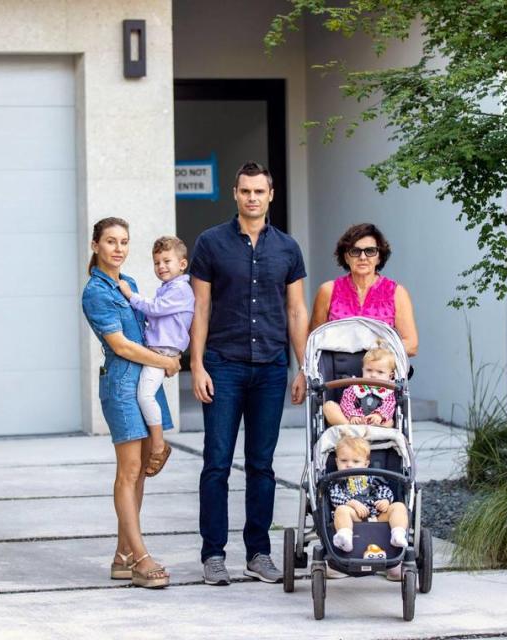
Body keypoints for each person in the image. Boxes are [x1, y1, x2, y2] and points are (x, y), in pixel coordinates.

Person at [190, 161, 309, 586]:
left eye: (259, 191)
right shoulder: (210, 243)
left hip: (273, 368)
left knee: (262, 464)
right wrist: (197, 363)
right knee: (217, 463)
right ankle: (214, 554)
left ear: (271, 194)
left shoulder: (288, 248)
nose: (252, 198)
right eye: (245, 191)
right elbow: (199, 307)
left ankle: (258, 552)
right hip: (223, 364)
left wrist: (303, 367)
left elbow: (296, 310)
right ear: (236, 194)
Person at [81, 217, 181, 589]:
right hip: (122, 386)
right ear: (96, 246)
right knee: (128, 471)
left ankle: (123, 556)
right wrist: (166, 362)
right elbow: (121, 345)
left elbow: (151, 326)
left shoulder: (131, 284)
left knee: (141, 472)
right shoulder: (96, 291)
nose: (119, 248)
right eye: (110, 241)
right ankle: (140, 558)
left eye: (124, 241)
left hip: (144, 384)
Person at [117, 236, 194, 477]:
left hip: (163, 353)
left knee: (145, 395)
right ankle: (156, 441)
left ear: (182, 264)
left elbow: (155, 309)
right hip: (156, 351)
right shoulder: (168, 288)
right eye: (156, 262)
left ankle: (159, 445)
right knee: (144, 396)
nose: (161, 266)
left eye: (166, 261)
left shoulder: (181, 289)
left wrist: (130, 295)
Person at [309, 223, 419, 356]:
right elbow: (313, 341)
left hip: (380, 375)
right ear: (346, 257)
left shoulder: (396, 292)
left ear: (379, 257)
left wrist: (374, 351)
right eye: (355, 251)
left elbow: (411, 345)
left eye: (370, 251)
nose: (363, 257)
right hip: (337, 375)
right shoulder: (328, 291)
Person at [328, 435, 409, 579]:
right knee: (341, 510)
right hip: (354, 518)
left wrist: (385, 500)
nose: (349, 465)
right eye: (344, 461)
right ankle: (345, 537)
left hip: (377, 516)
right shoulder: (337, 481)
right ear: (336, 461)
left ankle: (397, 534)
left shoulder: (373, 478)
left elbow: (384, 490)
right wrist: (351, 502)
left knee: (399, 507)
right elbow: (334, 496)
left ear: (366, 464)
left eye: (355, 461)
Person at [323, 343, 396, 427]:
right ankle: (350, 428)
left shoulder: (388, 390)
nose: (373, 375)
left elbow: (389, 405)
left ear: (390, 376)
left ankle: (374, 431)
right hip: (353, 422)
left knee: (390, 421)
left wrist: (379, 415)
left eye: (380, 372)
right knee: (329, 406)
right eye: (369, 370)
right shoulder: (356, 387)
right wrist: (352, 415)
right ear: (363, 370)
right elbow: (347, 402)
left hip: (375, 423)